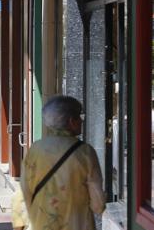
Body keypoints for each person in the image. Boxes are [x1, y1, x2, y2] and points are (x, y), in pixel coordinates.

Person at [21, 95, 105, 230]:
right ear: (72, 121)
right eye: (79, 116)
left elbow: (25, 190)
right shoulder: (85, 152)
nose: (82, 121)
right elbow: (98, 204)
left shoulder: (35, 149)